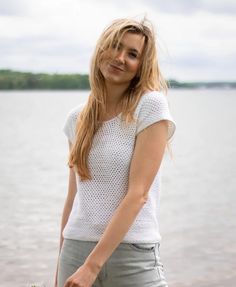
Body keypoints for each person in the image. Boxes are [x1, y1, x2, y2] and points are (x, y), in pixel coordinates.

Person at [55, 17, 176, 287]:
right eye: (114, 47)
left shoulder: (151, 106)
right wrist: (59, 269)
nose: (120, 58)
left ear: (140, 67)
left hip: (132, 256)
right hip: (75, 251)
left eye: (132, 54)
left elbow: (139, 194)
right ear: (101, 50)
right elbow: (73, 199)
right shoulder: (77, 119)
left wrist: (92, 267)